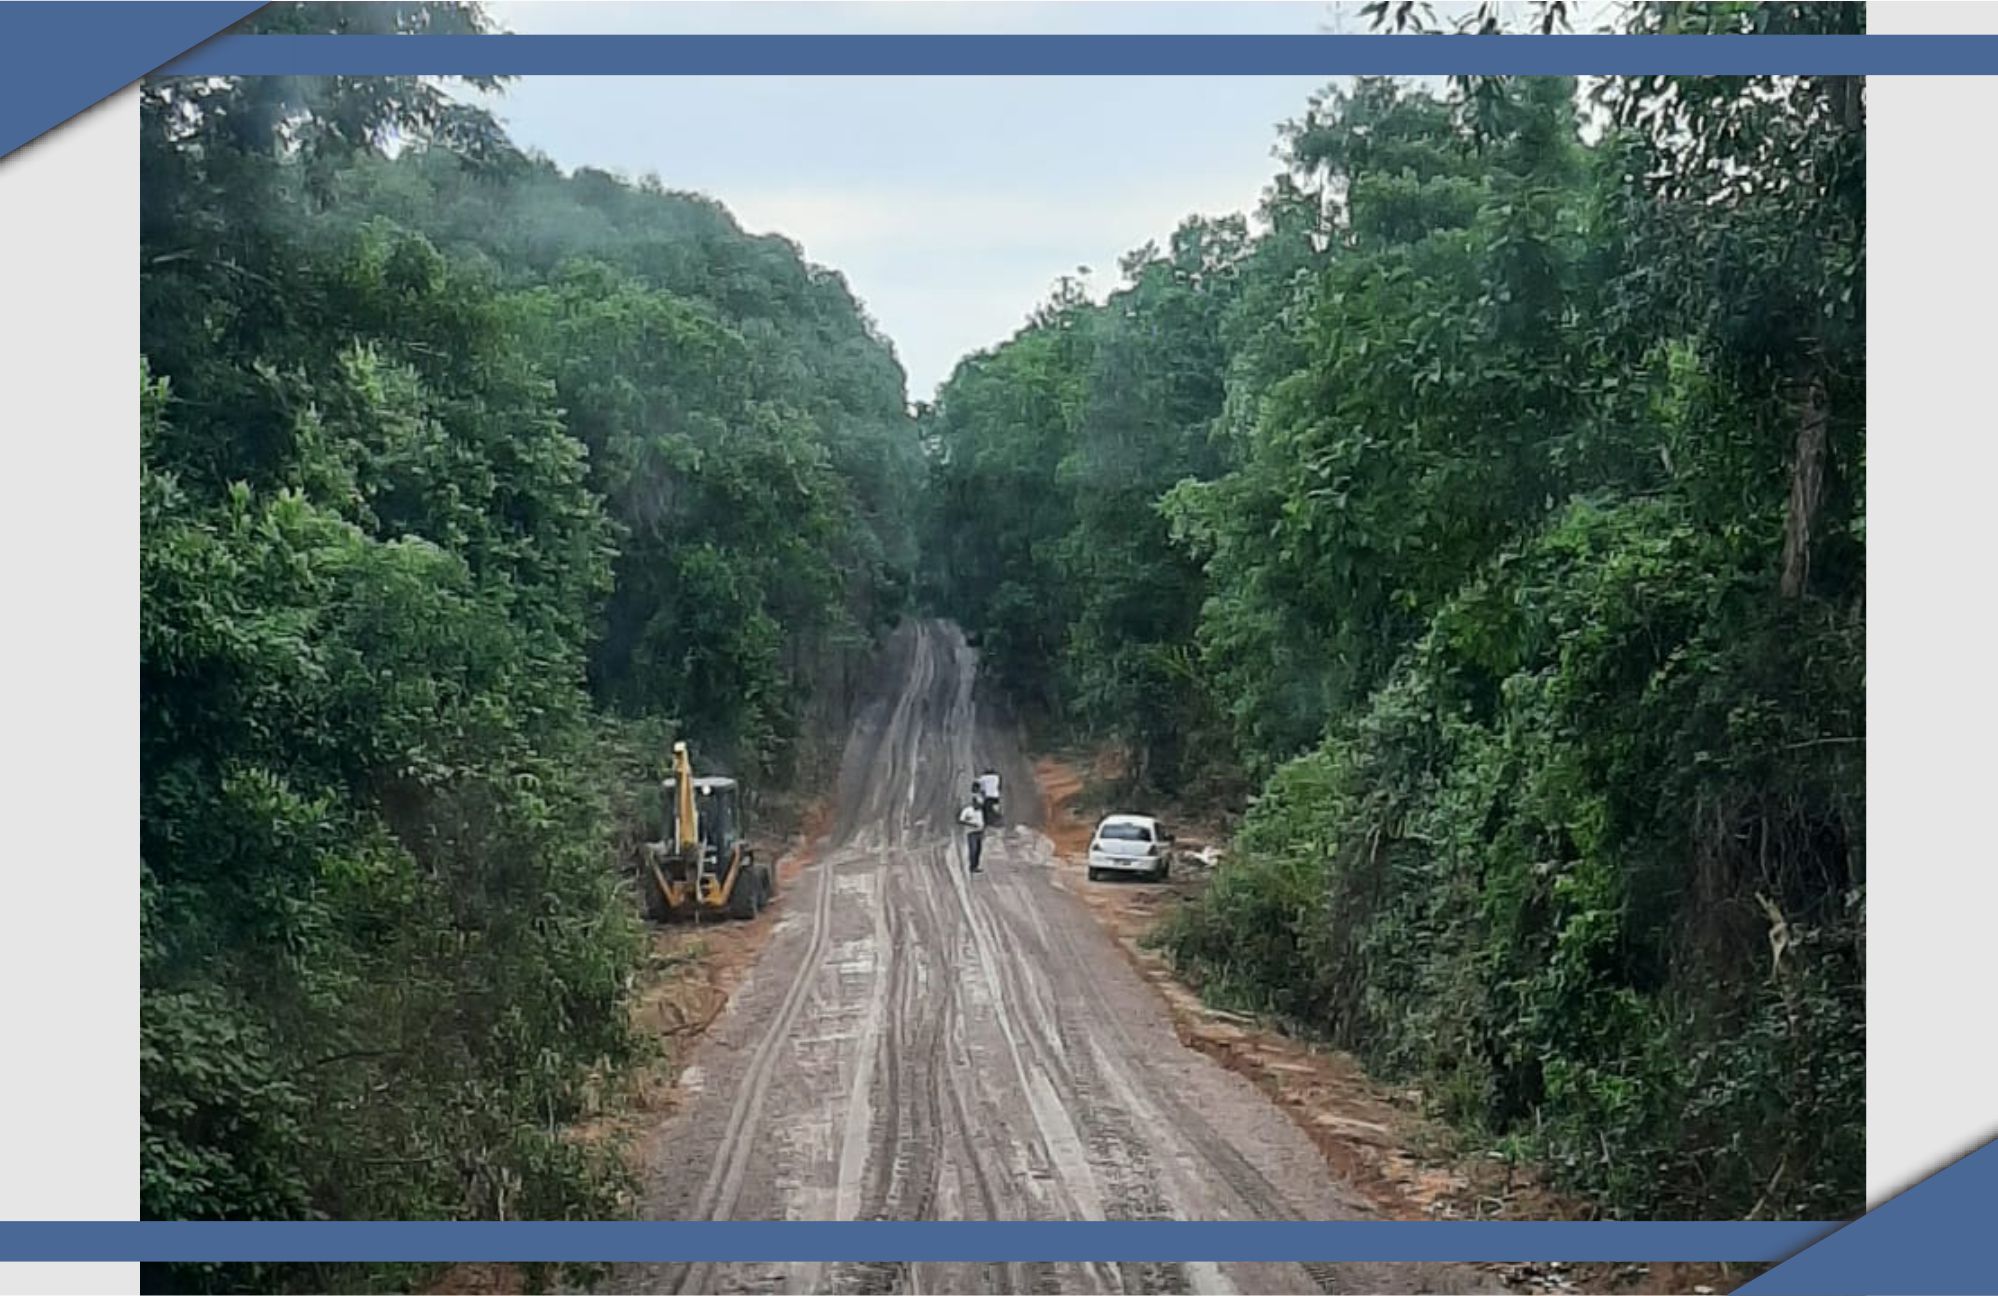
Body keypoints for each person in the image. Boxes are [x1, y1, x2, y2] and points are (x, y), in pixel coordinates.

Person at [957, 790, 985, 873]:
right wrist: (971, 824)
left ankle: (975, 866)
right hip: (971, 832)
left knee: (978, 850)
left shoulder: (980, 811)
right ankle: (971, 866)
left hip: (979, 832)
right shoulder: (967, 810)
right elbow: (960, 820)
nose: (979, 806)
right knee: (973, 849)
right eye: (978, 804)